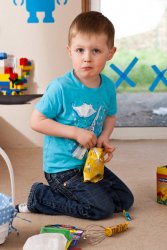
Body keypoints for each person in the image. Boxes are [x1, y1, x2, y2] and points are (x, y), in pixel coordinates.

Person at [16, 11, 134, 220]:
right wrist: (75, 133)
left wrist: (105, 137)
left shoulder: (107, 87)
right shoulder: (61, 88)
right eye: (80, 50)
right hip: (62, 170)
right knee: (102, 209)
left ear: (110, 52)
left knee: (124, 200)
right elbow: (36, 121)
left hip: (88, 165)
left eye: (96, 50)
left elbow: (110, 116)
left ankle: (85, 194)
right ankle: (41, 196)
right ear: (70, 51)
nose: (87, 57)